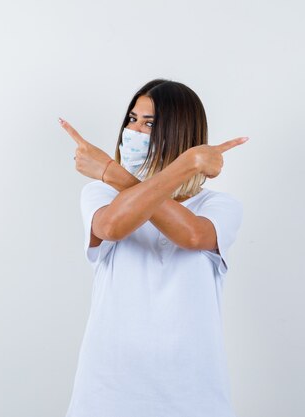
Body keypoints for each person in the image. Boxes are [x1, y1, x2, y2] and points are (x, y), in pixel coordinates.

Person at [59, 78, 248, 417]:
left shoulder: (220, 206)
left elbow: (191, 235)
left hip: (194, 397)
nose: (133, 131)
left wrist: (111, 171)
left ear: (180, 134)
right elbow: (112, 227)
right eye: (131, 120)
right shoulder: (100, 194)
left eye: (149, 124)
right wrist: (115, 177)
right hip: (106, 395)